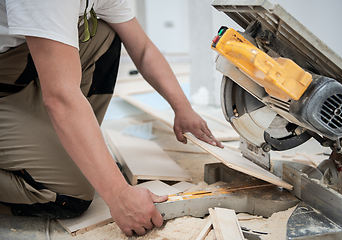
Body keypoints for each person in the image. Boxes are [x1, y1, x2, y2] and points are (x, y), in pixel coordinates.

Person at [0, 0, 223, 237]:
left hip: (21, 74)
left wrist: (182, 108)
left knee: (103, 34)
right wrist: (119, 195)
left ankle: (64, 138)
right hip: (9, 80)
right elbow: (60, 97)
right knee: (69, 195)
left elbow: (143, 48)